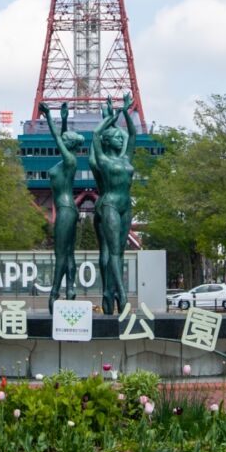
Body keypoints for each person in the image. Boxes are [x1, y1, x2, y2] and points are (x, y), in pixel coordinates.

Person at [89, 94, 137, 316]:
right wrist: (111, 117)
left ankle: (114, 291)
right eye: (116, 138)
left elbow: (132, 133)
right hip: (109, 204)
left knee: (121, 250)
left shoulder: (126, 158)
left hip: (126, 205)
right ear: (108, 141)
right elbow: (96, 134)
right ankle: (122, 293)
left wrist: (125, 112)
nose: (121, 139)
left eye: (120, 137)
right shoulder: (102, 160)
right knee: (114, 253)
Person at [39, 101, 84, 305]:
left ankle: (55, 292)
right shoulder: (68, 160)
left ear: (68, 145)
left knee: (61, 254)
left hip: (65, 209)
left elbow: (58, 138)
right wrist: (64, 119)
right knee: (69, 253)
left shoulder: (70, 161)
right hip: (68, 208)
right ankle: (70, 289)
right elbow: (63, 138)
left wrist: (49, 115)